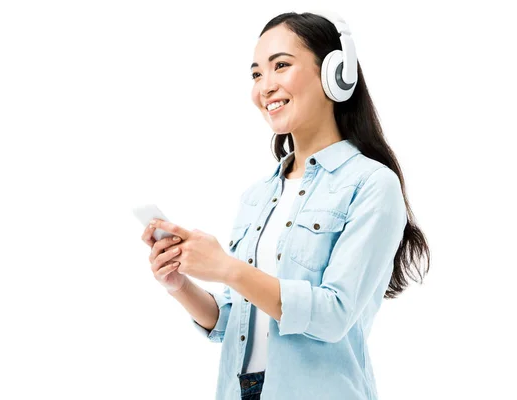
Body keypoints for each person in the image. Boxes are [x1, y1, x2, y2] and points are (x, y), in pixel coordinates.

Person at [140, 9, 430, 400]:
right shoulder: (257, 196)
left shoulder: (372, 184)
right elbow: (235, 320)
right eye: (257, 74)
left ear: (335, 75)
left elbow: (333, 315)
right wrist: (180, 283)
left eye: (281, 66)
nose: (266, 86)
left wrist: (227, 267)